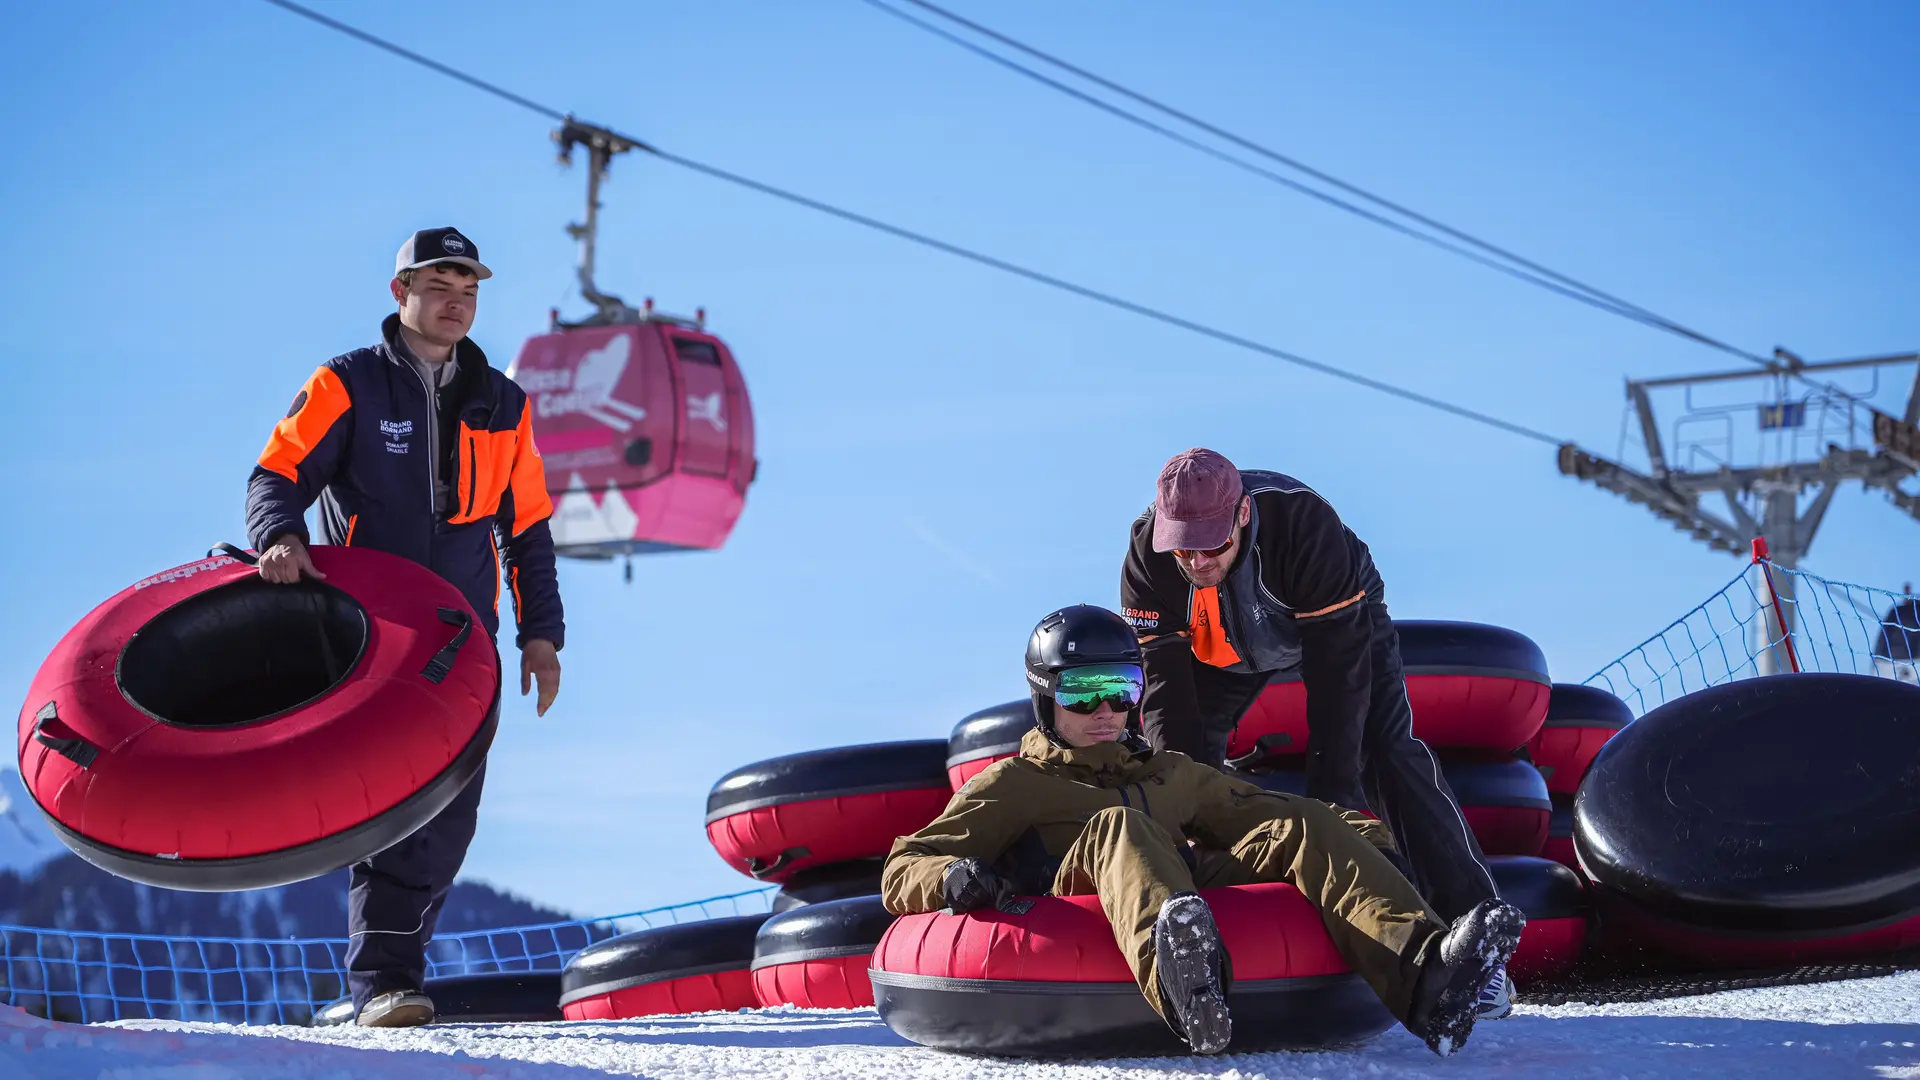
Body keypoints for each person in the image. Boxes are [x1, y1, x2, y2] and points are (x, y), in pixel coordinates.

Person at [881, 605, 1523, 1058]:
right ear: (1045, 697)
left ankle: (1429, 986)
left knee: (1301, 821)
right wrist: (953, 877)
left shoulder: (1171, 773)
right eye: (1082, 693)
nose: (1105, 711)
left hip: (1180, 882)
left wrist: (1357, 837)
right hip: (1071, 889)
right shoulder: (1012, 783)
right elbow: (905, 865)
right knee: (1120, 826)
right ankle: (1187, 986)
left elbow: (1263, 813)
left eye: (1121, 688)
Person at [244, 227, 565, 1028]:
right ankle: (381, 984)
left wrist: (542, 636)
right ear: (401, 294)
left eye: (470, 291)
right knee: (392, 807)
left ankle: (394, 977)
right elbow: (276, 472)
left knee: (452, 817)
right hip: (368, 636)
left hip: (463, 642)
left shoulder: (504, 402)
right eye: (440, 288)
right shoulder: (347, 383)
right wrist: (279, 536)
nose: (456, 304)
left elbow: (526, 531)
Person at [1119, 447, 1510, 1012]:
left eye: (1212, 545)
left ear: (1244, 516)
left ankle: (1477, 942)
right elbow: (1163, 697)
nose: (1197, 561)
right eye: (1184, 547)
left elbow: (1338, 686)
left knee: (1383, 751)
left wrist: (1335, 807)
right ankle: (1216, 939)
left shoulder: (1304, 524)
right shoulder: (1147, 556)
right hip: (1219, 649)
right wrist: (1179, 805)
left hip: (1334, 623)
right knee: (1184, 776)